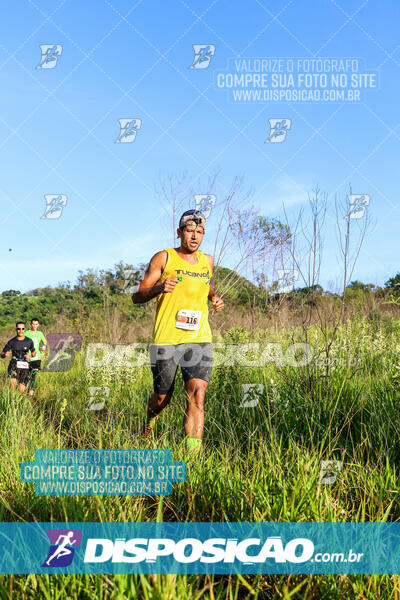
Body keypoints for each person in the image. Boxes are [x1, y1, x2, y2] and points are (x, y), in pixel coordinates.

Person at [132, 209, 224, 452]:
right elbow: (137, 295)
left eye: (200, 232)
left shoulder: (208, 261)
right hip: (167, 339)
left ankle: (192, 458)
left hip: (199, 339)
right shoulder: (164, 258)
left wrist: (214, 297)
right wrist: (160, 288)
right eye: (190, 231)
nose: (195, 236)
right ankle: (149, 421)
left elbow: (206, 283)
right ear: (179, 232)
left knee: (197, 394)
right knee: (162, 398)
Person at [1, 322, 36, 393]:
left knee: (21, 390)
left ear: (24, 329)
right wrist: (4, 354)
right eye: (19, 329)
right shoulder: (11, 341)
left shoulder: (29, 341)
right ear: (16, 329)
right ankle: (12, 402)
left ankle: (20, 403)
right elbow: (2, 353)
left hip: (25, 366)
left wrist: (30, 355)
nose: (21, 330)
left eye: (22, 329)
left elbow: (34, 352)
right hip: (14, 365)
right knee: (13, 389)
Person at [25, 317, 47, 396]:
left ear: (38, 325)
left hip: (36, 358)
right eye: (33, 324)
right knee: (26, 375)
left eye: (36, 324)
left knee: (33, 375)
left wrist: (43, 346)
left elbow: (44, 342)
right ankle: (23, 391)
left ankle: (30, 394)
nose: (34, 326)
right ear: (30, 324)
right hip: (27, 357)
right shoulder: (26, 333)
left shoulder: (40, 333)